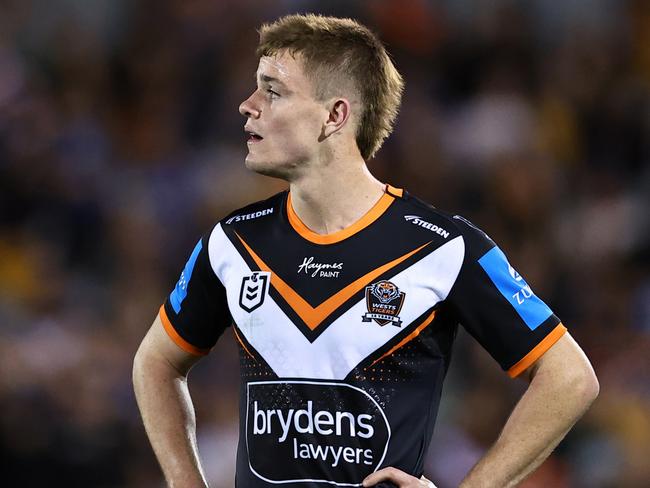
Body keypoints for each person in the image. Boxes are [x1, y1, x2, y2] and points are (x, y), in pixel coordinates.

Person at [132, 14, 599, 488]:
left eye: (273, 91)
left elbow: (569, 377)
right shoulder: (231, 242)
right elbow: (155, 362)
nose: (247, 106)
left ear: (335, 115)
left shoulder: (443, 247)